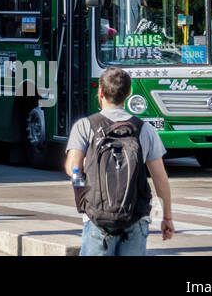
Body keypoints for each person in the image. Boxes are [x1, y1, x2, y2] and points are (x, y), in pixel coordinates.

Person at [65, 66, 174, 255]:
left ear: (100, 93)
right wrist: (167, 217)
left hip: (97, 219)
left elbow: (73, 168)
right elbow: (160, 178)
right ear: (129, 93)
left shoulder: (85, 126)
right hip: (135, 218)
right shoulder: (144, 129)